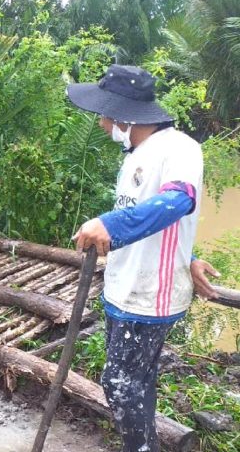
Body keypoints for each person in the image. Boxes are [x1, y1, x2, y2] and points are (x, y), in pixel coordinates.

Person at [69, 64, 204, 451]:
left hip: (151, 294)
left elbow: (179, 200)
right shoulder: (137, 153)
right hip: (125, 287)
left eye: (104, 115)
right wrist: (189, 254)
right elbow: (161, 215)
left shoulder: (179, 147)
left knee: (119, 382)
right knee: (134, 381)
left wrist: (110, 224)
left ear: (125, 115)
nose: (100, 125)